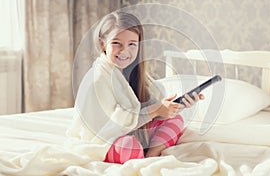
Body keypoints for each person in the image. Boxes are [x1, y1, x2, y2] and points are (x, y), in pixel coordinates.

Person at [67, 11, 204, 164]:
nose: (125, 51)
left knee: (175, 119)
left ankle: (151, 156)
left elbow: (149, 110)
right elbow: (110, 126)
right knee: (129, 146)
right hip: (105, 139)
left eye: (132, 44)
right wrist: (156, 109)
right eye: (116, 43)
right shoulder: (98, 79)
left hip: (132, 133)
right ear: (102, 44)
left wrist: (171, 106)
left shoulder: (132, 72)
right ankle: (141, 154)